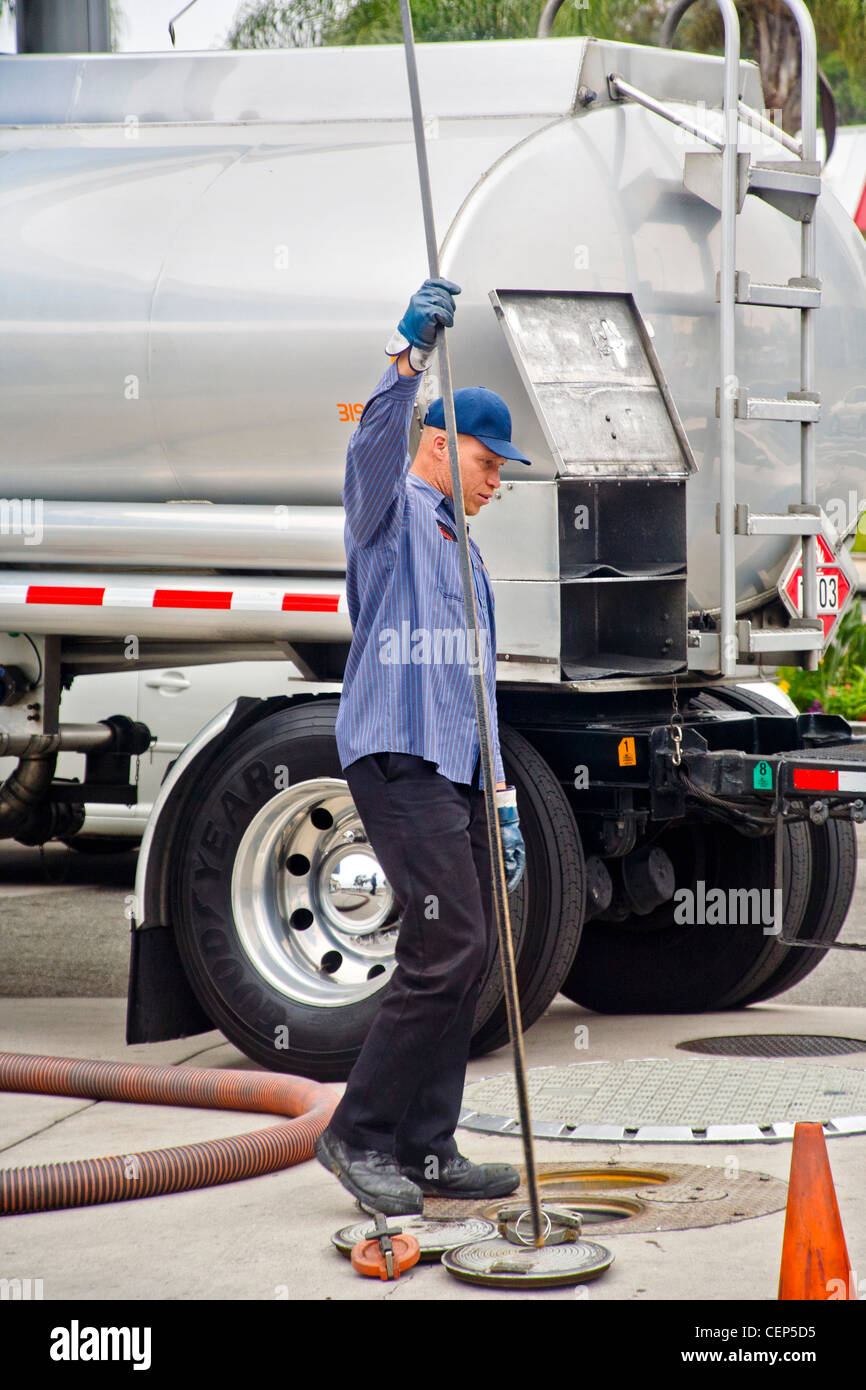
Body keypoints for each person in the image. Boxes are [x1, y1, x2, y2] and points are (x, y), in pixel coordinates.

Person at [316, 278, 530, 1215]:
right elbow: (368, 443)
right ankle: (356, 1136)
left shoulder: (465, 552)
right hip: (395, 755)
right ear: (441, 445)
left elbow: (474, 692)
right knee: (451, 942)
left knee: (468, 949)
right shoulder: (392, 514)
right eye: (490, 461)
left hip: (453, 770)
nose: (499, 478)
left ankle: (428, 1147)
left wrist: (504, 805)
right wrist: (406, 358)